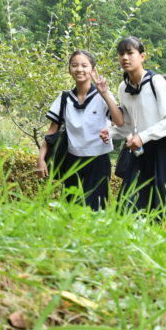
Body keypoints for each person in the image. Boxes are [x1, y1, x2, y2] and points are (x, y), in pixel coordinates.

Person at [36, 50, 123, 210]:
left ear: (93, 70)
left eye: (84, 65)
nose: (79, 69)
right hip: (72, 160)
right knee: (71, 208)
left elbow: (119, 121)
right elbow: (51, 132)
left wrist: (104, 93)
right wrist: (41, 159)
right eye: (74, 65)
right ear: (69, 69)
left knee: (96, 210)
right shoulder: (64, 98)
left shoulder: (103, 96)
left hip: (98, 160)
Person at [113, 36, 166, 218]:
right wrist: (110, 132)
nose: (125, 58)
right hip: (137, 153)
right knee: (128, 206)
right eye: (121, 54)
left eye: (130, 53)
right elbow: (127, 124)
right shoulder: (123, 87)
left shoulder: (157, 82)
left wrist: (143, 136)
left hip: (161, 151)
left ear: (142, 56)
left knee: (165, 208)